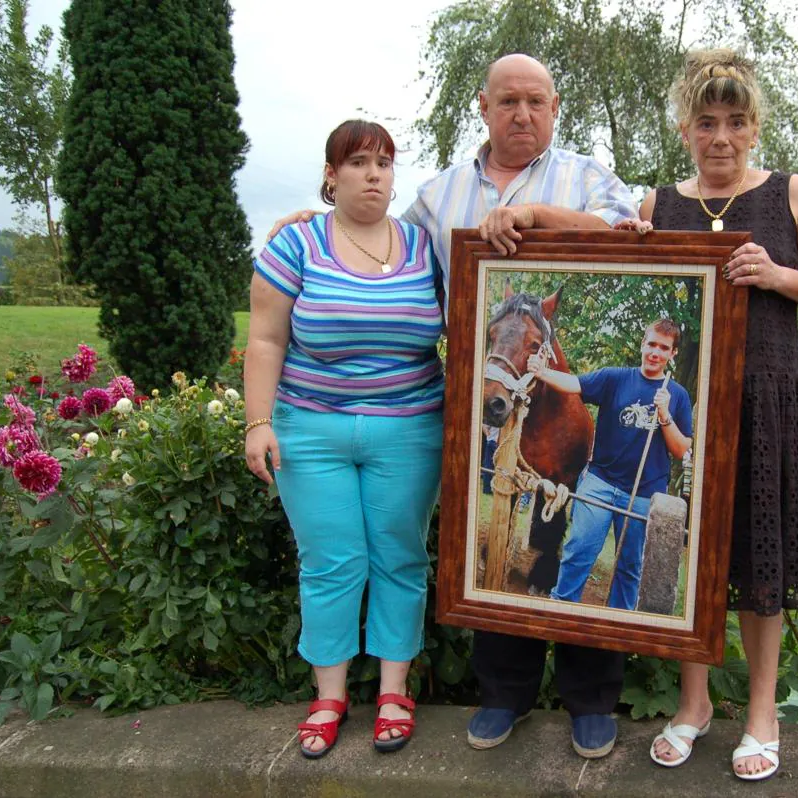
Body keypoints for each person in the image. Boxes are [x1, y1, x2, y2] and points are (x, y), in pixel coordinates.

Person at [267, 55, 637, 760]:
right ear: (483, 106)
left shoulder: (587, 177)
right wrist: (311, 224)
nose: (522, 114)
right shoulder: (437, 199)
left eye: (535, 101)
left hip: (548, 395)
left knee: (575, 530)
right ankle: (504, 693)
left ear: (555, 107)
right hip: (476, 404)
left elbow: (627, 230)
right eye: (507, 102)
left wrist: (532, 216)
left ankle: (592, 699)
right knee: (491, 540)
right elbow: (377, 238)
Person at [636, 49, 798, 780]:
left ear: (753, 126)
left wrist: (778, 274)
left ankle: (761, 716)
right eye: (706, 122)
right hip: (691, 408)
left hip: (768, 402)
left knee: (762, 559)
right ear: (685, 129)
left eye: (734, 122)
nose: (720, 136)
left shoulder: (792, 193)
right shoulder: (657, 205)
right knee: (682, 556)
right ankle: (692, 705)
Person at [244, 119, 444, 759]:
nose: (373, 174)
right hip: (312, 430)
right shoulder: (296, 244)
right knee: (332, 563)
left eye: (384, 162)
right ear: (332, 175)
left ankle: (392, 692)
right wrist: (258, 422)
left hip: (409, 430)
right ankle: (329, 696)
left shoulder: (423, 246)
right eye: (358, 162)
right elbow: (266, 340)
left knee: (400, 558)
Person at [526, 320, 692, 610]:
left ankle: (618, 626)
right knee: (579, 551)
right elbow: (574, 384)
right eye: (651, 344)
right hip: (600, 483)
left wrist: (664, 414)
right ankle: (561, 609)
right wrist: (542, 372)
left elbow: (680, 449)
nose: (655, 352)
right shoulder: (615, 379)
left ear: (673, 353)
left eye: (663, 348)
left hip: (644, 494)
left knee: (630, 568)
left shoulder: (677, 395)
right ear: (643, 344)